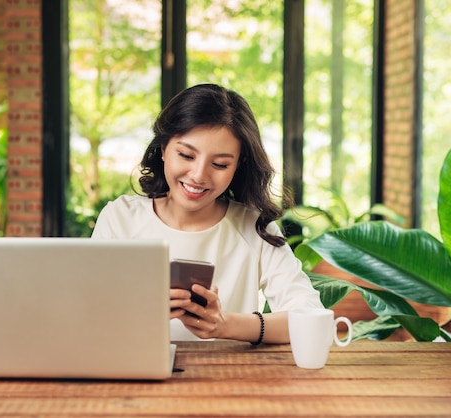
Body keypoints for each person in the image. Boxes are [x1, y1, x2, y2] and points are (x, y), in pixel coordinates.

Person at [91, 83, 323, 344]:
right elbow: (85, 314)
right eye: (186, 155)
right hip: (132, 377)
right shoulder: (120, 219)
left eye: (220, 164)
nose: (199, 175)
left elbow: (312, 320)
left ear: (238, 165)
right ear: (164, 148)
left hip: (227, 379)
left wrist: (226, 325)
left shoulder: (254, 227)